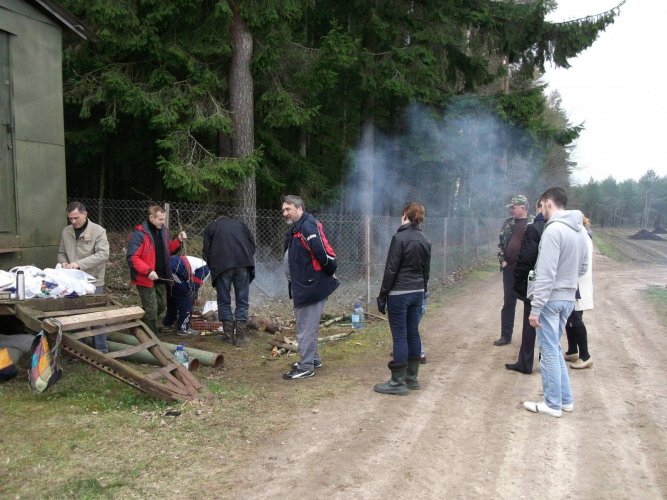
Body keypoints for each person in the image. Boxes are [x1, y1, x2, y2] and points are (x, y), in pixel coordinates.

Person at [523, 187, 589, 418]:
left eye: (541, 206)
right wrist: (567, 280)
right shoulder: (580, 231)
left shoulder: (553, 231)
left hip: (550, 300)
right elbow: (583, 268)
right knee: (555, 348)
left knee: (549, 351)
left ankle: (552, 403)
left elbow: (546, 272)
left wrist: (536, 307)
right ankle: (566, 400)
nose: (541, 211)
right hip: (569, 298)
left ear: (548, 203)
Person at [375, 202, 431, 396]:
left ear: (405, 215)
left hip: (399, 293)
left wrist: (382, 296)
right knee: (413, 333)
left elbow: (391, 269)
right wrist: (423, 291)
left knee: (400, 336)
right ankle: (412, 378)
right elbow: (426, 270)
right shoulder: (425, 239)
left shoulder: (399, 238)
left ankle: (397, 382)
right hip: (417, 292)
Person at [281, 195, 339, 380]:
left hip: (310, 286)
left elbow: (322, 255)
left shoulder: (307, 226)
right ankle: (313, 359)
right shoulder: (298, 227)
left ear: (300, 209)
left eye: (288, 209)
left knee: (305, 327)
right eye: (283, 210)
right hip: (303, 285)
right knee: (308, 325)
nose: (284, 213)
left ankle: (306, 367)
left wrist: (328, 273)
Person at [57, 201, 110, 352]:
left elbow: (103, 254)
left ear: (85, 214)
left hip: (93, 281)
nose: (73, 222)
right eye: (70, 219)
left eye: (76, 218)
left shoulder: (98, 231)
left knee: (97, 317)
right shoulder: (66, 231)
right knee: (75, 316)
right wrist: (64, 263)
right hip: (72, 281)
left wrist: (79, 264)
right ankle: (78, 350)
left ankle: (101, 351)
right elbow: (61, 253)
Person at [127, 205, 186, 336]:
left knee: (161, 305)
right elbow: (132, 257)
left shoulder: (163, 231)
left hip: (161, 275)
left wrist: (178, 241)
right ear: (151, 218)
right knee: (151, 309)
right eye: (160, 219)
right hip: (145, 277)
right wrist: (147, 271)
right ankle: (151, 335)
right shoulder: (139, 234)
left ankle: (138, 321)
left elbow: (167, 250)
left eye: (164, 219)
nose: (162, 222)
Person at [202, 211, 256, 346]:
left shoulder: (211, 227)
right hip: (243, 265)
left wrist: (213, 265)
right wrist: (245, 257)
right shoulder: (241, 225)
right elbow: (252, 245)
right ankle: (241, 337)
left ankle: (228, 336)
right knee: (242, 300)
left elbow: (206, 251)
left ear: (216, 220)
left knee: (224, 300)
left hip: (221, 267)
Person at [505, 200, 546, 374]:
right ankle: (546, 362)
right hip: (558, 286)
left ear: (541, 206)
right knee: (549, 325)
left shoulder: (535, 227)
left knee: (530, 322)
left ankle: (525, 363)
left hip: (536, 281)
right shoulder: (559, 227)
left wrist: (519, 277)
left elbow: (527, 256)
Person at [495, 195, 530, 346]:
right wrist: (502, 260)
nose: (511, 210)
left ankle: (529, 338)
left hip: (527, 272)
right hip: (509, 269)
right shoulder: (508, 222)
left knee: (530, 304)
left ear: (523, 207)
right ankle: (505, 336)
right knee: (508, 302)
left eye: (513, 207)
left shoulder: (534, 223)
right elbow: (500, 243)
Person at [565, 217, 594, 369]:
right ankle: (572, 351)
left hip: (578, 285)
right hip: (577, 284)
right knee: (570, 319)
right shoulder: (582, 234)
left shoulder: (581, 236)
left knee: (575, 319)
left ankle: (585, 356)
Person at [163, 255, 210, 336]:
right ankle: (183, 328)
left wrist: (195, 295)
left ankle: (168, 323)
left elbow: (191, 283)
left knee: (173, 296)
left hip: (168, 266)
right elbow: (194, 285)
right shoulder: (206, 270)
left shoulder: (200, 264)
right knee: (186, 297)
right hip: (174, 269)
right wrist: (194, 297)